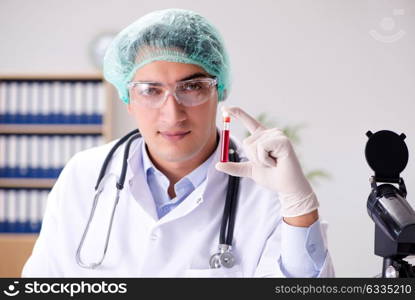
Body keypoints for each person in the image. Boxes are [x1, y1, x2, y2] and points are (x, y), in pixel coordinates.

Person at [22, 8, 335, 277]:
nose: (172, 114)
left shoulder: (269, 192)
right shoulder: (84, 175)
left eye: (193, 87)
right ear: (127, 98)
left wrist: (299, 208)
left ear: (220, 91)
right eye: (150, 90)